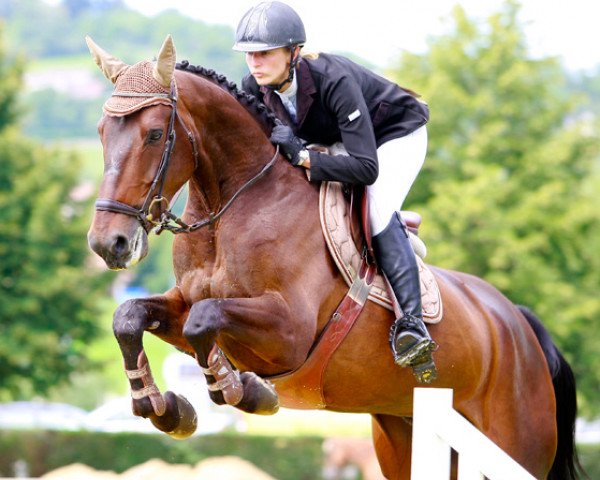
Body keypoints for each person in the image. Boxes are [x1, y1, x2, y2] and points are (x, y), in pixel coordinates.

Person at [233, 1, 437, 382]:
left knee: (374, 207)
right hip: (340, 142)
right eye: (249, 55)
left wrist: (305, 157)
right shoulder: (256, 88)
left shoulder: (333, 78)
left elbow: (365, 167)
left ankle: (412, 326)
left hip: (394, 136)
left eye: (265, 53)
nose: (255, 63)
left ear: (293, 53)